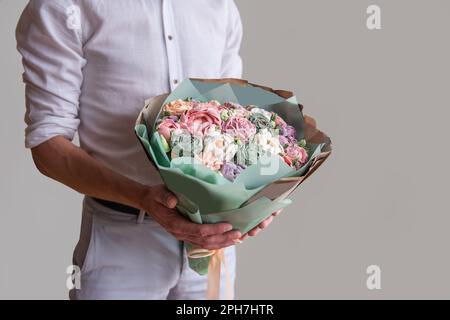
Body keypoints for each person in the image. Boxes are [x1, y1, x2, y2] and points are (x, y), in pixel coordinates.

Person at [16, 0, 279, 300]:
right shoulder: (62, 6)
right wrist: (141, 196)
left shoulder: (219, 6)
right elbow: (48, 146)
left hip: (211, 247)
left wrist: (253, 201)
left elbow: (231, 120)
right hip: (119, 247)